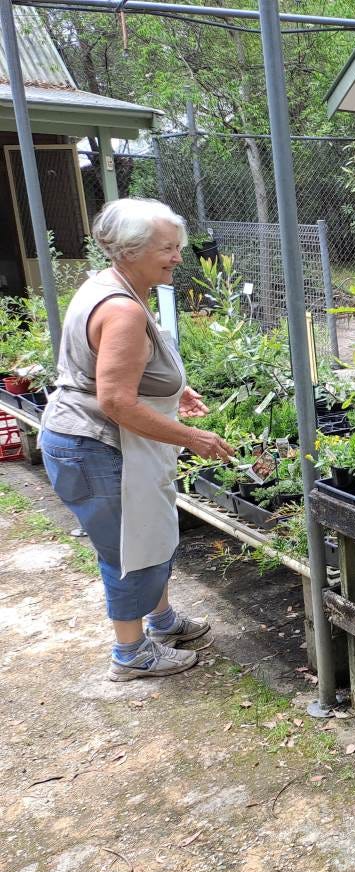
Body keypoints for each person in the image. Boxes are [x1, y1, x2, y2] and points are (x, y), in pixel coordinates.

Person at [40, 198, 235, 682]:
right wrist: (191, 436)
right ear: (130, 250)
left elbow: (115, 371)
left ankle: (163, 621)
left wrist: (171, 387)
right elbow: (117, 402)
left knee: (150, 533)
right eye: (167, 248)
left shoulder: (112, 285)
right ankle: (130, 653)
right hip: (97, 445)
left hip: (97, 442)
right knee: (128, 549)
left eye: (177, 247)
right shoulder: (123, 308)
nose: (177, 257)